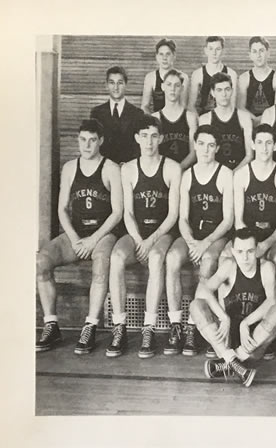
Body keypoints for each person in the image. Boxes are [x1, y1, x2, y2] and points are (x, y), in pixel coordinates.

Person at [36, 119, 123, 354]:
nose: (87, 145)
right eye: (83, 140)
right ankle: (51, 323)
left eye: (92, 140)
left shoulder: (111, 168)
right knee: (40, 261)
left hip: (102, 234)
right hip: (76, 235)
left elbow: (117, 213)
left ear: (101, 141)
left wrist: (93, 239)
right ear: (78, 140)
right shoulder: (69, 168)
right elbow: (62, 209)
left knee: (102, 264)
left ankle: (90, 325)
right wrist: (75, 239)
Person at [106, 115, 181, 359]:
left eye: (154, 136)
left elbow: (173, 214)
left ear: (160, 138)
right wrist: (139, 239)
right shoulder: (127, 168)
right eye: (144, 136)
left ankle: (148, 326)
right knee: (116, 257)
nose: (149, 141)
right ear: (137, 138)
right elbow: (127, 212)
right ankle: (120, 327)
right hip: (137, 233)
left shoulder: (171, 167)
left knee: (158, 257)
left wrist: (151, 241)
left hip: (162, 233)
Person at [165, 124, 234, 357]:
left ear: (217, 148)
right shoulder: (187, 175)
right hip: (192, 235)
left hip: (216, 235)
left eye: (211, 145)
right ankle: (176, 325)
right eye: (201, 144)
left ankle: (195, 326)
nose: (206, 149)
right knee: (173, 258)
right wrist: (191, 241)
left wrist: (205, 243)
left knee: (207, 262)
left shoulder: (225, 174)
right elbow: (182, 217)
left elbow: (228, 220)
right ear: (195, 145)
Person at [190, 227, 276, 387]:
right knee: (196, 305)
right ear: (233, 251)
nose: (245, 257)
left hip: (252, 340)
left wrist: (246, 323)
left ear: (256, 250)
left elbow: (272, 301)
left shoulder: (266, 268)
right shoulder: (229, 266)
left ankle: (229, 361)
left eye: (250, 251)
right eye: (240, 251)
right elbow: (203, 290)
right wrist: (223, 317)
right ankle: (235, 363)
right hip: (225, 337)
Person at [233, 124, 276, 302]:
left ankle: (272, 314)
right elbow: (238, 220)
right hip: (247, 236)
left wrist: (266, 244)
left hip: (275, 236)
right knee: (226, 261)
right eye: (260, 142)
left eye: (268, 143)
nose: (264, 148)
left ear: (275, 146)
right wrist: (251, 246)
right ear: (252, 145)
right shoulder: (242, 174)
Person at [199, 72, 253, 171]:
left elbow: (249, 156)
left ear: (232, 91)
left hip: (240, 171)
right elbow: (204, 156)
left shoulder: (244, 117)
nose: (224, 94)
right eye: (219, 90)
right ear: (212, 93)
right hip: (215, 173)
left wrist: (233, 173)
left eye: (227, 89)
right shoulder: (205, 119)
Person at [90, 66, 144, 164]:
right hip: (103, 168)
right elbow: (94, 144)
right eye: (112, 83)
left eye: (120, 83)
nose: (116, 87)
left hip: (129, 169)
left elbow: (139, 148)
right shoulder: (96, 113)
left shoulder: (137, 113)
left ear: (126, 85)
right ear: (106, 85)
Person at [151, 69, 198, 170]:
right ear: (163, 87)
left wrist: (178, 170)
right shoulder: (155, 117)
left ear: (182, 88)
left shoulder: (190, 117)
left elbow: (193, 154)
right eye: (169, 84)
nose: (172, 89)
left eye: (177, 85)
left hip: (185, 171)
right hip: (162, 172)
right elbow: (153, 152)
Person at [189, 36, 238, 116]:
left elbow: (233, 105)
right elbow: (191, 106)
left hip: (225, 116)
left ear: (223, 51)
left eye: (218, 49)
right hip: (204, 117)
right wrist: (199, 120)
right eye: (211, 49)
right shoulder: (197, 74)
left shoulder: (231, 74)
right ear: (205, 51)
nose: (214, 53)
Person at [237, 36, 276, 126]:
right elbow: (241, 107)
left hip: (271, 122)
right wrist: (255, 120)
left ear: (268, 53)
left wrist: (262, 120)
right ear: (250, 55)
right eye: (254, 51)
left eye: (261, 51)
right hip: (249, 122)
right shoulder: (244, 78)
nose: (258, 55)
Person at [141, 38, 190, 114]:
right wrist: (153, 121)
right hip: (158, 121)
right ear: (156, 56)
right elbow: (144, 106)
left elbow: (183, 106)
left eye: (168, 54)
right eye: (161, 54)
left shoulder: (183, 77)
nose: (164, 58)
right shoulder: (150, 77)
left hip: (177, 120)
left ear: (174, 56)